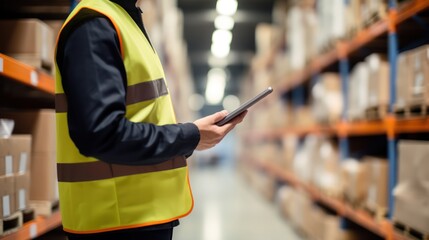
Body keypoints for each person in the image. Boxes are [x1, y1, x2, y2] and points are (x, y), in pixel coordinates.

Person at [54, 0, 246, 239]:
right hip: (114, 222)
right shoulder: (94, 24)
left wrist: (193, 139)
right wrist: (190, 136)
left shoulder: (125, 21)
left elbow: (146, 119)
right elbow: (102, 133)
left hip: (138, 217)